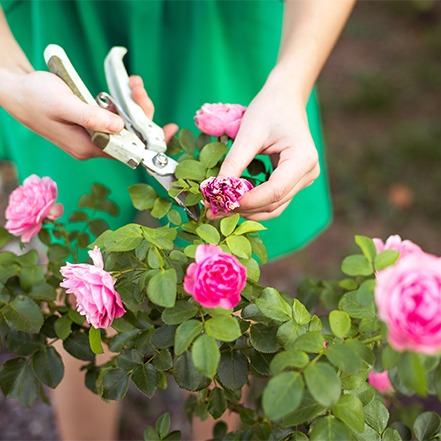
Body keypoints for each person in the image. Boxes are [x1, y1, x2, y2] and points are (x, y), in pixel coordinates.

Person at [0, 1, 355, 440]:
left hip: (219, 27)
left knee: (225, 291)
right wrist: (10, 77)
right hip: (66, 15)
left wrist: (290, 83)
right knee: (79, 279)